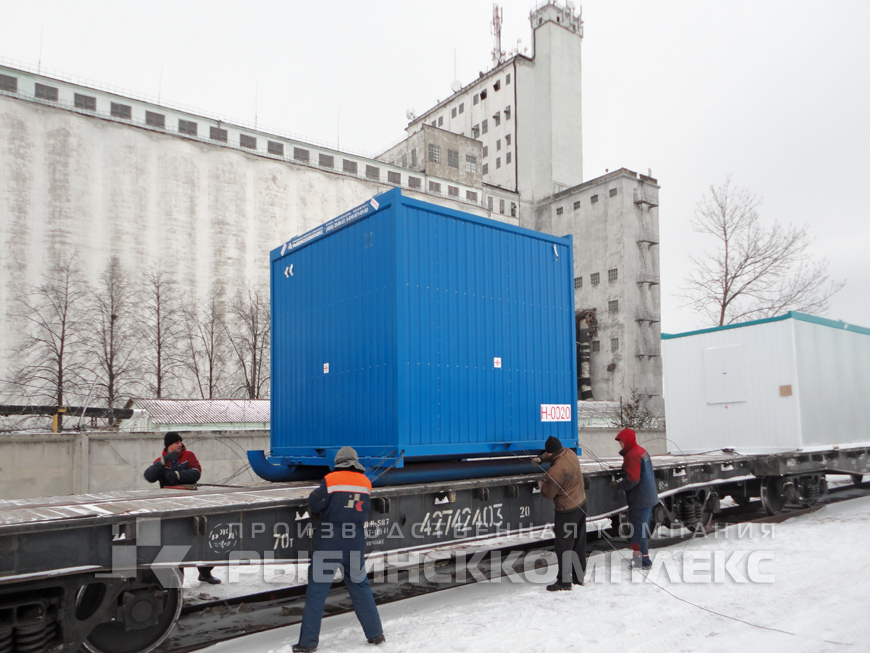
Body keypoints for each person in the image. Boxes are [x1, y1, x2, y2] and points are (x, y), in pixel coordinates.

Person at [293, 446, 385, 653]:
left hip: (330, 541)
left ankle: (307, 643)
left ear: (339, 461)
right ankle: (375, 633)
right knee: (360, 587)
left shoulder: (331, 479)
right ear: (355, 462)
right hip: (355, 542)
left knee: (317, 593)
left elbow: (315, 503)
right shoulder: (366, 482)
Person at [143, 432, 222, 585]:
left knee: (201, 538)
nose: (180, 444)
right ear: (168, 446)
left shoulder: (189, 456)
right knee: (176, 543)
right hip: (171, 506)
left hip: (191, 502)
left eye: (180, 441)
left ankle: (205, 572)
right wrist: (162, 463)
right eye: (176, 442)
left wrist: (178, 475)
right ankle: (177, 581)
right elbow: (149, 476)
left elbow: (196, 473)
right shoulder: (161, 462)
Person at [538, 435, 587, 591]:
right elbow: (553, 456)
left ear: (550, 453)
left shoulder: (555, 472)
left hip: (567, 512)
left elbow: (548, 494)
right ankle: (578, 577)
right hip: (581, 505)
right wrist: (541, 459)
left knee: (564, 546)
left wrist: (541, 484)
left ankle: (564, 582)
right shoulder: (570, 454)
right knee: (578, 544)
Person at [614, 428, 659, 570]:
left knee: (638, 531)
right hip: (648, 496)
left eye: (621, 441)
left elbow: (633, 479)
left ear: (627, 440)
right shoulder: (640, 451)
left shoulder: (632, 455)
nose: (620, 444)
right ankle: (640, 558)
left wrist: (619, 485)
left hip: (640, 499)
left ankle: (643, 562)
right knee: (641, 530)